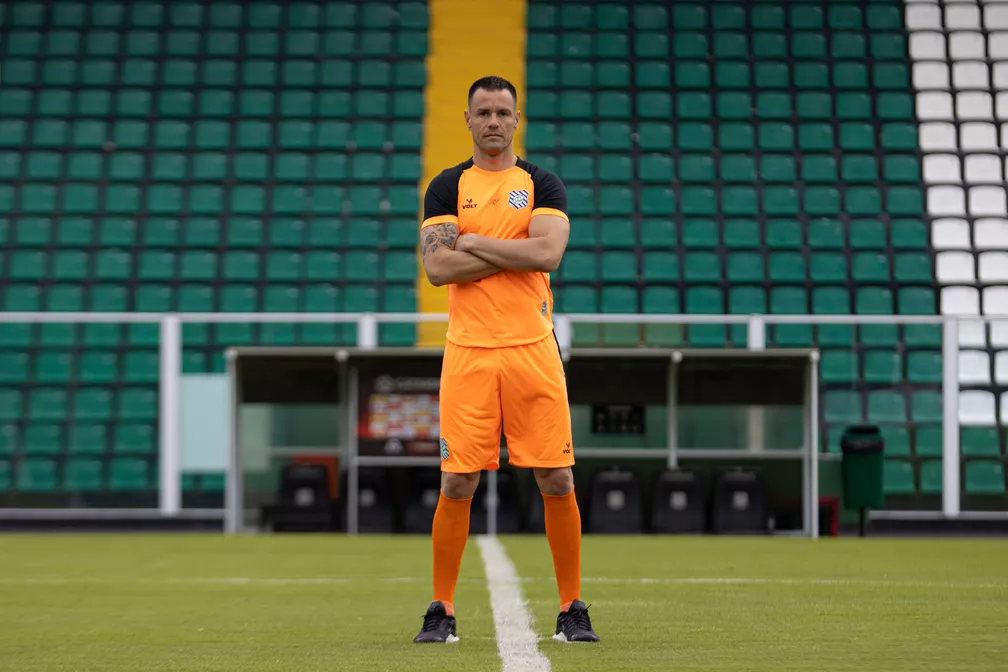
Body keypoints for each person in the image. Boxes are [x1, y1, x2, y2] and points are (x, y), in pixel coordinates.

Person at [412, 75, 599, 645]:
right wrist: (512, 254)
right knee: (458, 484)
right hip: (468, 352)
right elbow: (438, 270)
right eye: (483, 112)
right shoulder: (446, 188)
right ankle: (441, 609)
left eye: (503, 112)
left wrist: (473, 242)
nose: (493, 121)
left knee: (558, 478)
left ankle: (571, 608)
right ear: (467, 119)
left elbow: (549, 252)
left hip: (532, 349)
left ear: (517, 119)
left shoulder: (542, 183)